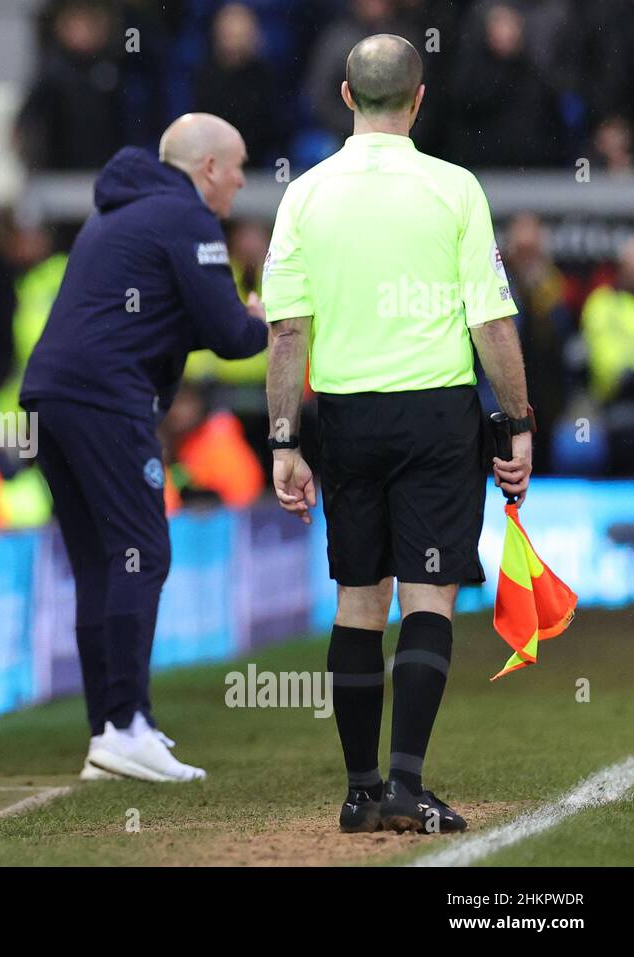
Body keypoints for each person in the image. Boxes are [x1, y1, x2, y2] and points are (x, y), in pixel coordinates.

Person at [261, 35, 533, 835]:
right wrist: (515, 422)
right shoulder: (454, 188)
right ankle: (408, 785)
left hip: (344, 414)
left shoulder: (303, 195)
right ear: (420, 99)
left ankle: (359, 792)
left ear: (345, 96)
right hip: (436, 414)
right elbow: (490, 320)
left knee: (357, 601)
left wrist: (284, 440)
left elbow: (285, 333)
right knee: (428, 595)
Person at [20, 113, 267, 783]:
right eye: (239, 165)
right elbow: (229, 335)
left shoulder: (122, 214)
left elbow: (169, 316)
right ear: (209, 167)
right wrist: (274, 316)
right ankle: (127, 725)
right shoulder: (184, 217)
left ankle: (111, 730)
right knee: (143, 551)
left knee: (102, 564)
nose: (244, 179)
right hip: (104, 399)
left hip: (49, 397)